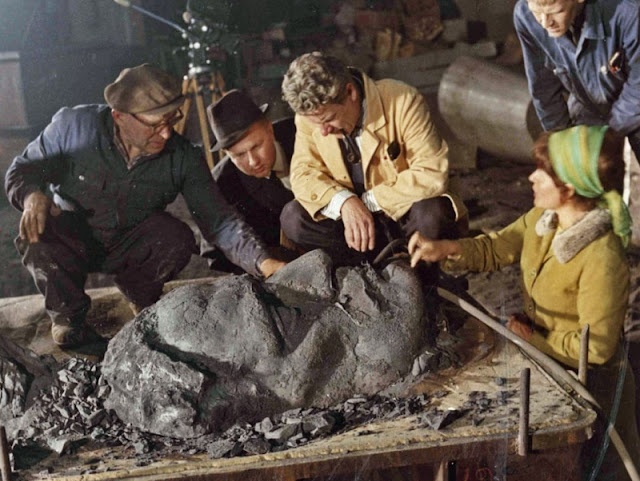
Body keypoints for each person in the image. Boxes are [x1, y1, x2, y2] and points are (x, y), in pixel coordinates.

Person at [409, 125, 639, 481]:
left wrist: (530, 337)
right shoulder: (543, 221)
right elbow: (497, 247)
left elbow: (596, 348)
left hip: (594, 387)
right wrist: (447, 249)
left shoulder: (602, 256)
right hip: (549, 364)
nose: (530, 177)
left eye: (542, 172)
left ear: (569, 187)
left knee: (600, 477)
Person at [4, 64, 285, 348]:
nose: (165, 134)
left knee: (177, 237)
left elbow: (220, 222)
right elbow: (21, 171)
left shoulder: (184, 157)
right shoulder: (73, 128)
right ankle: (68, 318)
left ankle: (139, 295)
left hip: (129, 243)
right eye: (154, 125)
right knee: (36, 233)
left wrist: (263, 262)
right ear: (120, 117)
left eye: (171, 121)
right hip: (72, 238)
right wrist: (31, 196)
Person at [279, 52, 466, 271]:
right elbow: (302, 175)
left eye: (329, 119)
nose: (323, 131)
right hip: (353, 233)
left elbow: (431, 173)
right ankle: (359, 280)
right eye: (316, 124)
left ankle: (423, 280)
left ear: (350, 92)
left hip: (404, 222)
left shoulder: (403, 100)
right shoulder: (309, 116)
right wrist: (345, 203)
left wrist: (366, 202)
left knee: (433, 212)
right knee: (293, 217)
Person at [514, 0, 640, 156]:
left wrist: (607, 136)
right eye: (537, 12)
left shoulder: (629, 12)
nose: (546, 23)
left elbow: (638, 87)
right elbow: (542, 86)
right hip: (588, 105)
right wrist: (559, 140)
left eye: (556, 12)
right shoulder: (525, 15)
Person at [202, 89, 295, 270]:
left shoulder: (301, 134)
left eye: (256, 146)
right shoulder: (221, 184)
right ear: (226, 153)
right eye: (239, 155)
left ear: (270, 129)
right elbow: (215, 254)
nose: (253, 161)